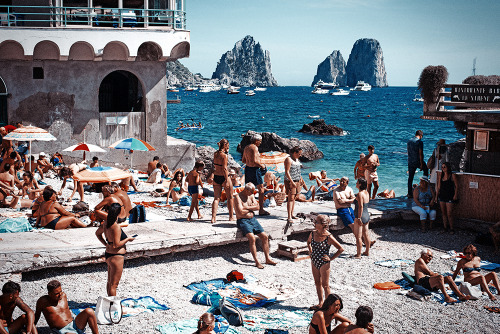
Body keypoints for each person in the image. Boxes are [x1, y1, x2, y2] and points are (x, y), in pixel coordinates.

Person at [95, 203, 135, 296]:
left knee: (110, 283)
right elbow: (116, 245)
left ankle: (109, 303)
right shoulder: (115, 227)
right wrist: (128, 239)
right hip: (116, 256)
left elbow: (97, 233)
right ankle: (113, 308)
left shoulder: (105, 223)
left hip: (109, 254)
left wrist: (106, 244)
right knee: (114, 285)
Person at [234, 182, 277, 269]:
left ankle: (267, 258)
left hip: (252, 219)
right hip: (243, 220)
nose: (252, 194)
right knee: (252, 238)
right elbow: (240, 212)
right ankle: (256, 261)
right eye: (251, 192)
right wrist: (251, 208)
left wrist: (246, 207)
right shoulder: (238, 197)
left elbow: (257, 207)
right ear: (246, 190)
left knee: (265, 236)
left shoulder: (251, 196)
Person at [307, 215, 344, 309]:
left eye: (317, 222)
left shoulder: (329, 237)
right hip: (314, 260)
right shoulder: (313, 233)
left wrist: (331, 258)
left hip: (324, 263)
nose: (314, 223)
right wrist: (310, 252)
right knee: (317, 282)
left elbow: (340, 249)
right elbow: (308, 242)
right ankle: (320, 303)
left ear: (323, 225)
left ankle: (328, 306)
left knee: (325, 285)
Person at [241, 134, 269, 216]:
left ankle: (247, 208)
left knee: (248, 189)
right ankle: (261, 210)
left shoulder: (246, 147)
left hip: (248, 169)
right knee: (261, 190)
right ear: (256, 140)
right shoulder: (254, 147)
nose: (260, 143)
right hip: (254, 170)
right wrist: (262, 165)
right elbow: (255, 161)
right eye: (260, 141)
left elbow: (243, 160)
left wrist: (249, 162)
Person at [210, 139, 234, 224]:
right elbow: (224, 168)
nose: (229, 146)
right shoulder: (224, 156)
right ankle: (231, 217)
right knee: (230, 197)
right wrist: (227, 180)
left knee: (216, 198)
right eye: (228, 145)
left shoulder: (215, 154)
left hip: (216, 176)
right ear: (225, 145)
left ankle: (213, 218)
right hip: (223, 176)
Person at [435, 162, 458, 233]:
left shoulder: (452, 176)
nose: (443, 168)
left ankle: (451, 228)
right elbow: (438, 187)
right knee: (443, 213)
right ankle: (445, 227)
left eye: (444, 167)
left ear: (448, 167)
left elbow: (457, 186)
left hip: (450, 196)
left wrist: (455, 195)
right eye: (442, 167)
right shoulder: (441, 176)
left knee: (449, 213)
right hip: (442, 195)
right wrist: (436, 196)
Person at [284, 146, 303, 223]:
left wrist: (301, 179)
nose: (300, 155)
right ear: (294, 153)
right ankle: (289, 216)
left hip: (297, 180)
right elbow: (287, 172)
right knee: (290, 198)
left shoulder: (296, 159)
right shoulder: (288, 159)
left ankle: (292, 214)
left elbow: (298, 170)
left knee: (294, 198)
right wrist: (292, 182)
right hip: (290, 181)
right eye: (299, 153)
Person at [353, 178, 371, 258]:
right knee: (366, 234)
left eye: (357, 182)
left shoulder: (359, 194)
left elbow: (360, 206)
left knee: (358, 236)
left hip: (360, 215)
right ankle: (367, 251)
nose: (356, 183)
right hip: (366, 215)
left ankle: (358, 254)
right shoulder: (367, 193)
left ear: (360, 184)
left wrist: (359, 218)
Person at [407, 130, 428, 198]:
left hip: (410, 161)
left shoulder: (409, 141)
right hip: (417, 161)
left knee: (410, 178)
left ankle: (410, 193)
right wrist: (421, 164)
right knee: (426, 170)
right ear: (421, 135)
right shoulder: (419, 142)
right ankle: (425, 188)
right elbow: (421, 153)